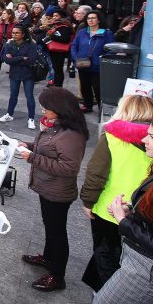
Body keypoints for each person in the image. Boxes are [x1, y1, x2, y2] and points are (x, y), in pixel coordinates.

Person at [18, 87, 89, 292]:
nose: (42, 110)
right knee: (50, 227)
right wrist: (29, 145)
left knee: (57, 233)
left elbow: (68, 168)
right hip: (47, 186)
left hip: (58, 192)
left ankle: (57, 277)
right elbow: (48, 146)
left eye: (46, 106)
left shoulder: (71, 135)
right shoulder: (59, 126)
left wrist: (33, 158)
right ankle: (48, 259)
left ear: (59, 108)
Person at [80, 95, 153, 292]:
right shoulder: (149, 140)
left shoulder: (113, 136)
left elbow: (96, 175)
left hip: (108, 209)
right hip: (140, 214)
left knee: (106, 255)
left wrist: (87, 202)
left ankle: (105, 293)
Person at [92, 121, 153, 303]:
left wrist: (123, 220)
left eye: (151, 136)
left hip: (144, 268)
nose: (144, 140)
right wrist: (131, 213)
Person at [70, 11, 114, 113]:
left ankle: (101, 108)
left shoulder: (106, 33)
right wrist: (75, 57)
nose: (90, 20)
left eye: (93, 18)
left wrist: (102, 58)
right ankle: (88, 105)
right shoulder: (82, 32)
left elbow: (111, 49)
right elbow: (74, 45)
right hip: (82, 63)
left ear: (99, 20)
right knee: (85, 86)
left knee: (98, 87)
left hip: (97, 65)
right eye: (88, 18)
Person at [0, 25, 39, 129]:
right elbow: (6, 59)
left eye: (17, 33)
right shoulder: (9, 43)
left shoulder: (31, 44)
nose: (14, 35)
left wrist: (14, 59)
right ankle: (9, 114)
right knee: (13, 95)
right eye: (13, 33)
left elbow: (31, 60)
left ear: (23, 34)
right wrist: (21, 58)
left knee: (29, 96)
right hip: (14, 73)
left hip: (28, 74)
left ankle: (31, 118)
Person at [43, 9, 73, 87]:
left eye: (56, 16)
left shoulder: (64, 26)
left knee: (58, 70)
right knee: (56, 69)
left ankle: (58, 86)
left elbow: (65, 39)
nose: (54, 17)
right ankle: (56, 85)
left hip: (59, 51)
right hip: (55, 51)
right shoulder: (57, 25)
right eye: (53, 15)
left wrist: (51, 36)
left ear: (61, 16)